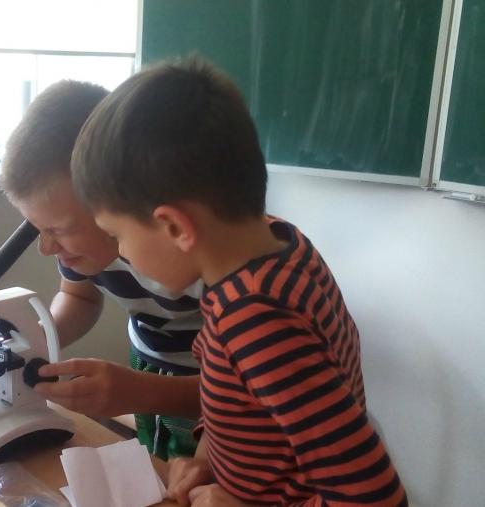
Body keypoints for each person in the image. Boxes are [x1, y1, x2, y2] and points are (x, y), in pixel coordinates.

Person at [70, 59, 408, 506]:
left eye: (117, 235)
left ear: (175, 227)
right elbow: (246, 403)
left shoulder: (254, 320)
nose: (122, 252)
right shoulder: (274, 250)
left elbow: (374, 499)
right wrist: (207, 457)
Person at [0, 80, 202, 460]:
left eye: (59, 230)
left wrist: (141, 391)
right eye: (39, 230)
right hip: (148, 365)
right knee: (162, 467)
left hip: (206, 387)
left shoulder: (200, 258)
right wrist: (40, 339)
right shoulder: (81, 250)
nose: (46, 248)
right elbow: (79, 296)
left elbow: (243, 397)